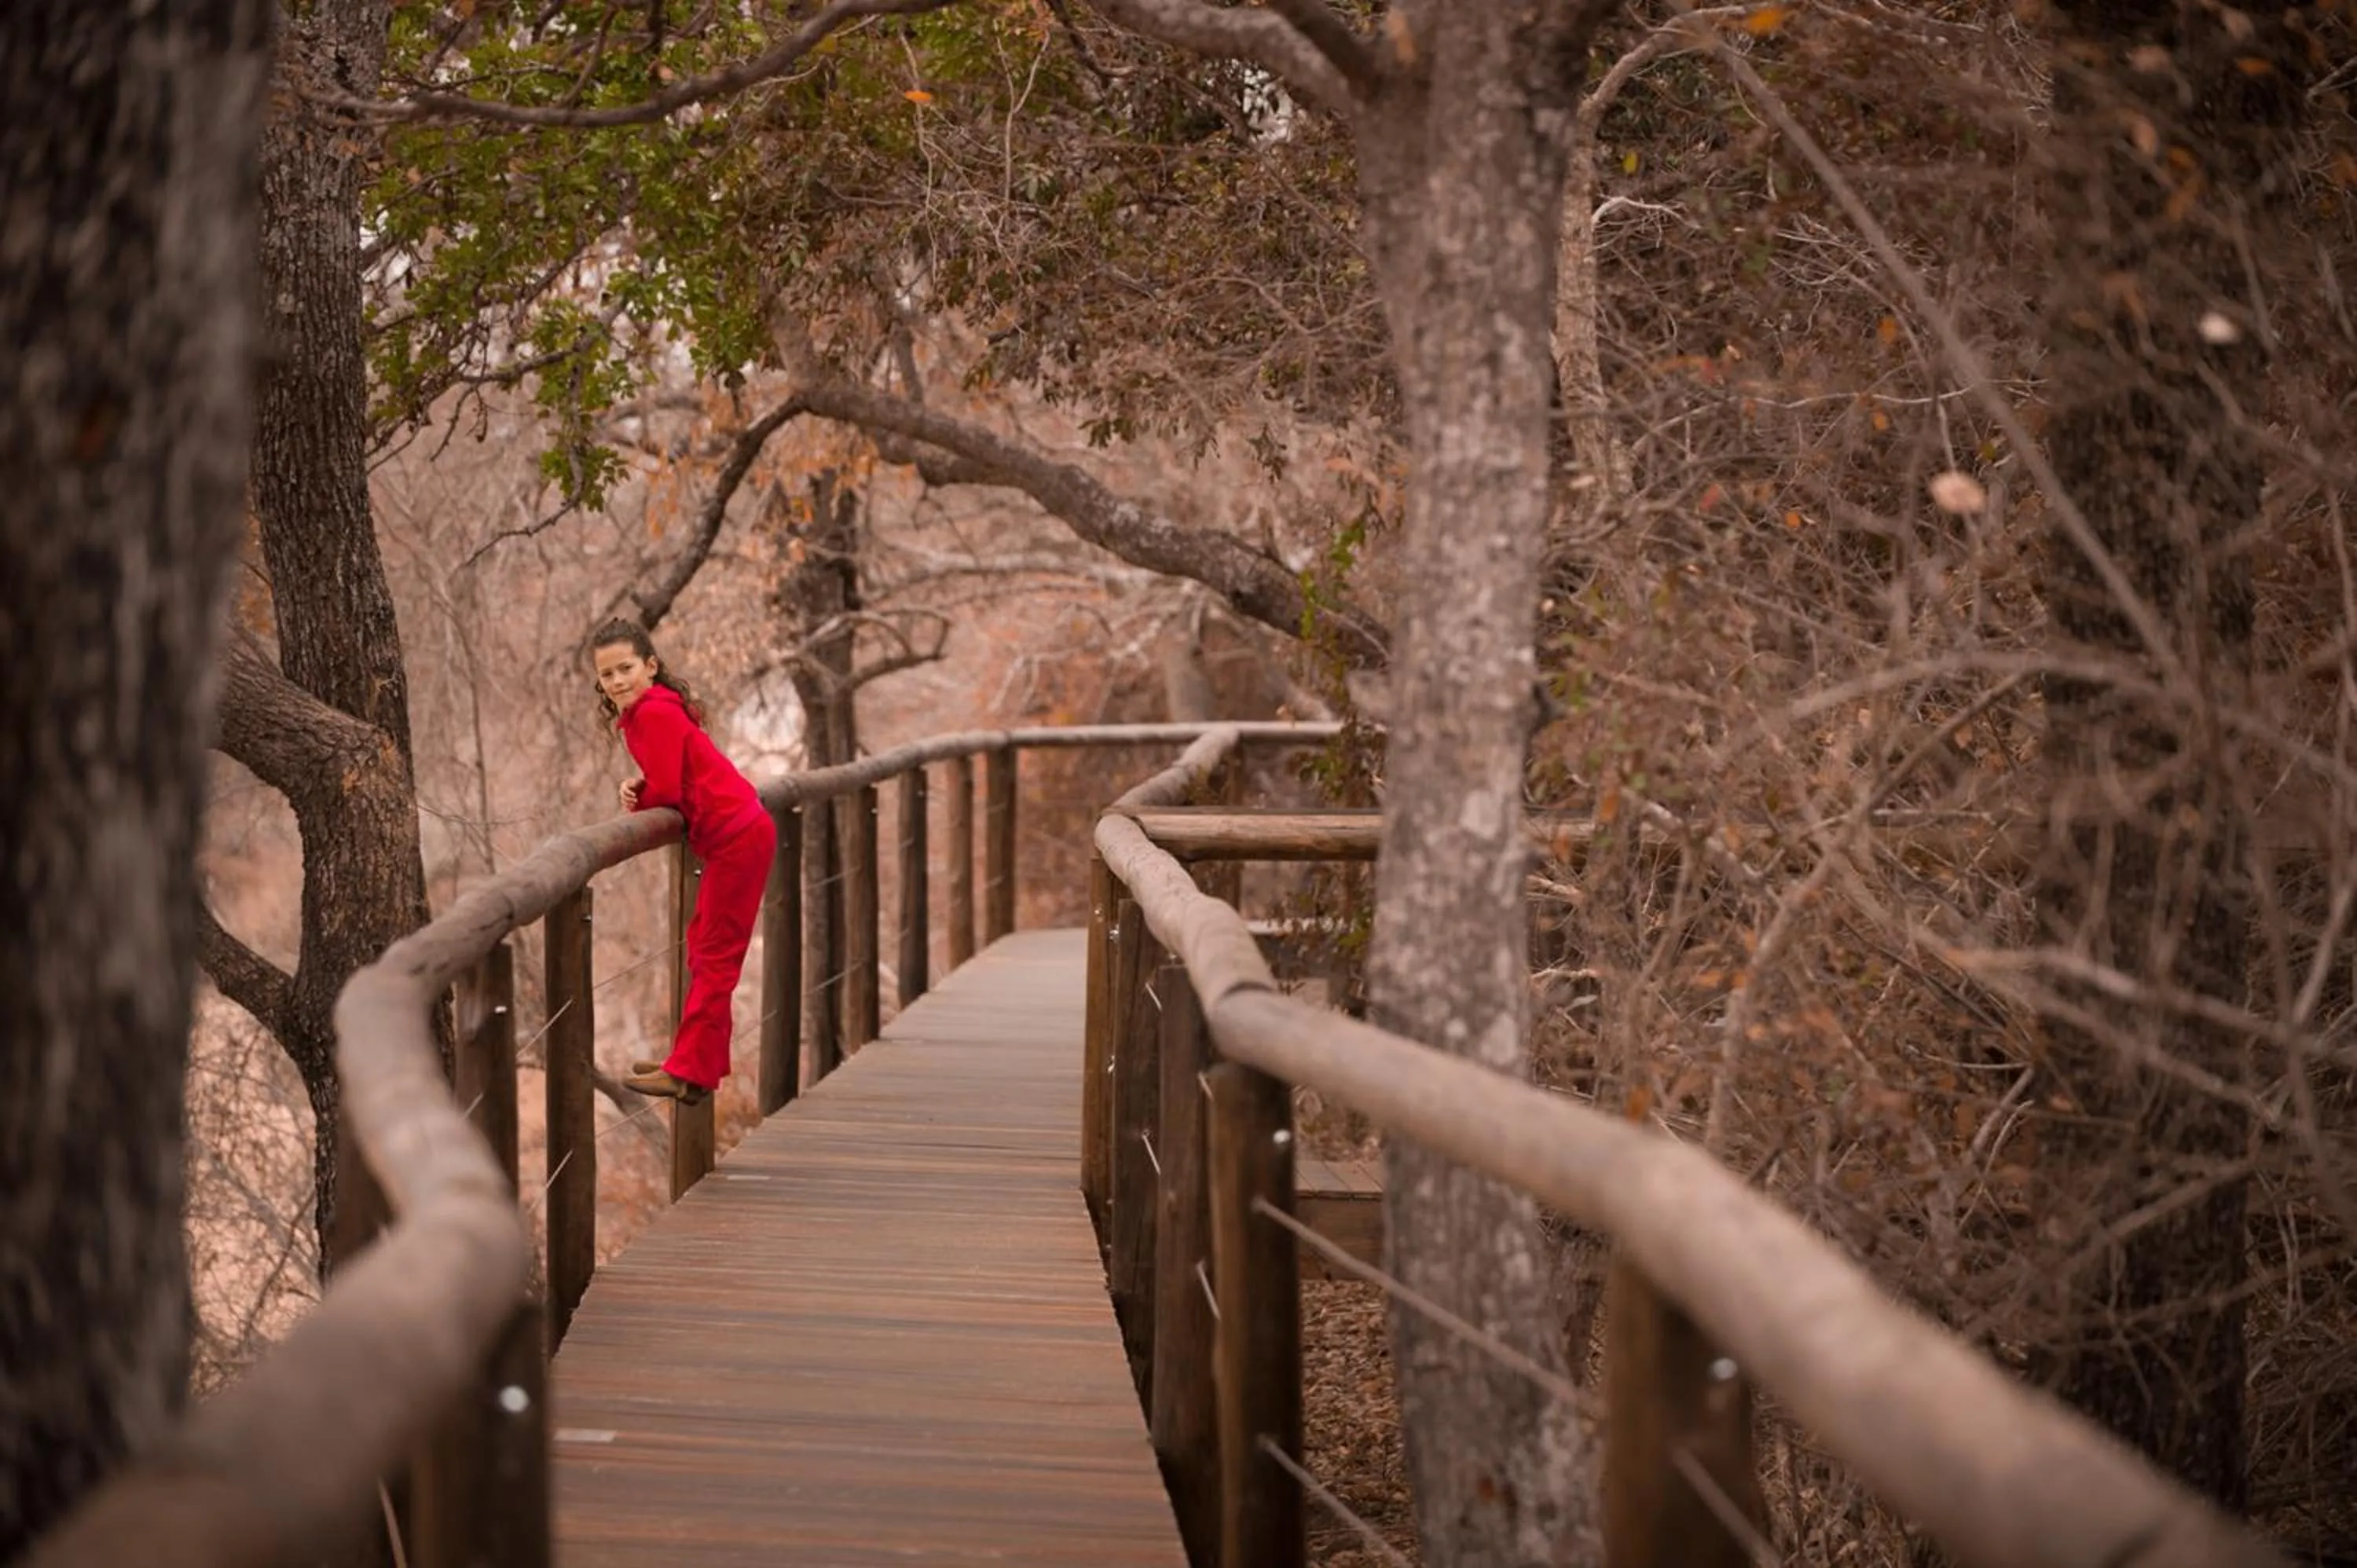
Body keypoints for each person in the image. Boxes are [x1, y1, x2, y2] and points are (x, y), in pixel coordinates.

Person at [590, 617, 775, 1106]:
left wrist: (640, 795)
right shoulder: (651, 711)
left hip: (738, 838)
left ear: (650, 666)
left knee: (714, 955)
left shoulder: (653, 713)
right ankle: (696, 1065)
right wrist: (641, 787)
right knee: (704, 948)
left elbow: (670, 789)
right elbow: (676, 776)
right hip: (737, 835)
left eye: (626, 668)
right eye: (607, 675)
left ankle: (690, 1070)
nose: (617, 681)